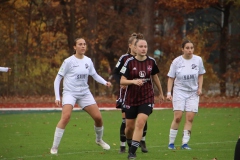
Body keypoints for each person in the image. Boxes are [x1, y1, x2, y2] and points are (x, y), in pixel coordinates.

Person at [50, 38, 111, 154]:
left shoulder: (88, 61)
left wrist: (104, 82)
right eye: (80, 44)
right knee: (66, 117)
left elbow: (94, 75)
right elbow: (57, 79)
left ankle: (99, 140)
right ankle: (54, 147)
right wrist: (57, 97)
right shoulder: (68, 61)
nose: (83, 46)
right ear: (74, 47)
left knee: (98, 118)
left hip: (84, 93)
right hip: (70, 93)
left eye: (84, 44)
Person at [120, 33, 164, 159]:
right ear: (135, 48)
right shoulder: (128, 62)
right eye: (141, 46)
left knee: (140, 123)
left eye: (145, 46)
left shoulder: (151, 61)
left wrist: (160, 92)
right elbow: (122, 81)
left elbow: (155, 76)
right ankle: (130, 144)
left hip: (147, 97)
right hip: (131, 98)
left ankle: (132, 152)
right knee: (129, 128)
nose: (143, 48)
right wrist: (133, 81)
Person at [112, 33, 148, 153]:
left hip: (141, 94)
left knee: (143, 119)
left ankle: (142, 141)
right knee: (125, 121)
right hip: (126, 94)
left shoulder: (145, 58)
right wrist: (121, 83)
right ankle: (123, 145)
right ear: (131, 46)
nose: (139, 47)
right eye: (135, 44)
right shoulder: (124, 58)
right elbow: (116, 73)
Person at [166, 39, 206, 150]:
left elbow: (201, 74)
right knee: (178, 117)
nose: (190, 50)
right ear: (182, 49)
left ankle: (184, 143)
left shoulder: (198, 60)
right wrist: (169, 92)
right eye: (187, 48)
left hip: (193, 93)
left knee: (190, 118)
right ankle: (171, 143)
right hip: (179, 91)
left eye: (191, 48)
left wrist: (200, 88)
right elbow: (171, 78)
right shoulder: (176, 61)